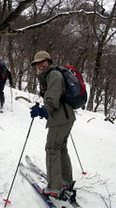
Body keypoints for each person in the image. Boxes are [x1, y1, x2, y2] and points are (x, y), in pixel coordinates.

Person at [30, 50, 76, 198]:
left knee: (52, 149)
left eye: (43, 62)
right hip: (65, 117)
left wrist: (44, 110)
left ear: (48, 61)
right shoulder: (50, 74)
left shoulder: (54, 75)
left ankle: (55, 188)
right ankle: (65, 181)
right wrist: (41, 108)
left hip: (60, 118)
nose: (40, 65)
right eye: (37, 63)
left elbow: (52, 97)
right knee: (61, 148)